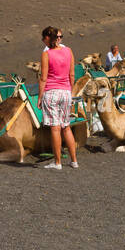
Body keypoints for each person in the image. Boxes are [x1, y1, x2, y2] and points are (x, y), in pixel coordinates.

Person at [38, 26, 79, 170]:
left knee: (55, 129)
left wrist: (39, 97)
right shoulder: (69, 51)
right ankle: (74, 161)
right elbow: (72, 74)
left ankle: (57, 163)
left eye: (43, 39)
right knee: (66, 127)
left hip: (51, 92)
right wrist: (70, 90)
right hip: (66, 92)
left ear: (48, 38)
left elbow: (43, 78)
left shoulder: (47, 54)